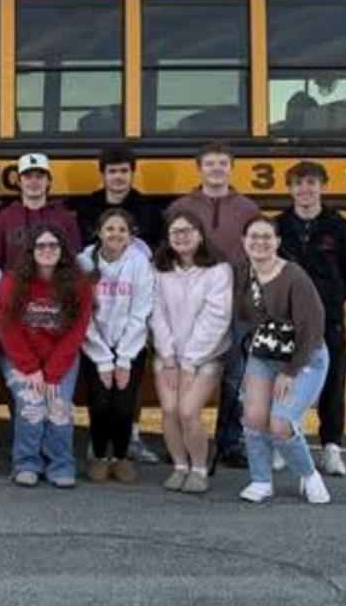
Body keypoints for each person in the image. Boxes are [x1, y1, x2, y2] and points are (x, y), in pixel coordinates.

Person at [166, 141, 260, 470]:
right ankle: (180, 439)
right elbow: (168, 257)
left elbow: (259, 255)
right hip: (190, 310)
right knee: (185, 374)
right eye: (210, 163)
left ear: (232, 167)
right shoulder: (181, 207)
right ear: (199, 168)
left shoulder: (248, 209)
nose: (216, 169)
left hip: (237, 308)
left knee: (234, 379)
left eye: (222, 163)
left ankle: (228, 442)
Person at [234, 216, 333, 505]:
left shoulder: (294, 276)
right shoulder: (242, 273)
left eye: (267, 237)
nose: (260, 242)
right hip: (264, 355)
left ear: (277, 242)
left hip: (304, 358)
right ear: (243, 242)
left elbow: (313, 328)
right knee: (253, 417)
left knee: (280, 423)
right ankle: (261, 481)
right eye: (253, 236)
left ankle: (310, 475)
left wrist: (290, 372)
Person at [275, 161, 346, 477]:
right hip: (287, 319)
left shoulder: (341, 227)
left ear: (323, 185)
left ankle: (331, 449)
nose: (305, 190)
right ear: (290, 189)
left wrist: (328, 300)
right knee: (284, 382)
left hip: (329, 319)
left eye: (311, 183)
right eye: (298, 184)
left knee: (332, 384)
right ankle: (283, 443)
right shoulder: (278, 227)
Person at [0, 225, 93, 489]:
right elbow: (7, 328)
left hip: (60, 358)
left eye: (53, 245)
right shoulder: (12, 281)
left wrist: (52, 372)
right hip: (20, 356)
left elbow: (76, 332)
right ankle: (26, 463)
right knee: (32, 401)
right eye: (41, 246)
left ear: (62, 251)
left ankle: (61, 463)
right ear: (31, 251)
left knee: (58, 404)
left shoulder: (79, 283)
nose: (47, 250)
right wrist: (30, 368)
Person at [149, 211, 233, 494]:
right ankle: (179, 466)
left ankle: (198, 469)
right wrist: (170, 358)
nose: (182, 237)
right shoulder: (159, 269)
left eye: (188, 231)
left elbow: (216, 318)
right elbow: (156, 313)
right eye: (175, 232)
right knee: (170, 409)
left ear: (200, 235)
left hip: (206, 356)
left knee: (187, 411)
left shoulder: (219, 270)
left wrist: (189, 361)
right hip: (168, 355)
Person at [76, 209, 155, 484]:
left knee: (123, 404)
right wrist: (102, 358)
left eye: (122, 229)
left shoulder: (140, 262)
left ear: (130, 234)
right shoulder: (84, 263)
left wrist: (123, 358)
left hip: (131, 347)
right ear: (99, 232)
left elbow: (141, 312)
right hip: (94, 346)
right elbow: (82, 316)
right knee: (99, 403)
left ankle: (120, 457)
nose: (116, 234)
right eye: (110, 229)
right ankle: (98, 455)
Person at [0, 153, 81, 272]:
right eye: (28, 177)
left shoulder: (65, 218)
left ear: (49, 181)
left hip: (55, 287)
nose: (33, 181)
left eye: (39, 176)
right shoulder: (4, 218)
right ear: (19, 183)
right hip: (16, 287)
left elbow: (74, 259)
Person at [73, 145, 162, 256]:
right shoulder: (87, 208)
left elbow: (156, 249)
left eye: (124, 171)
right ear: (103, 174)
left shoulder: (149, 210)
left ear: (133, 173)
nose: (118, 177)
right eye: (112, 171)